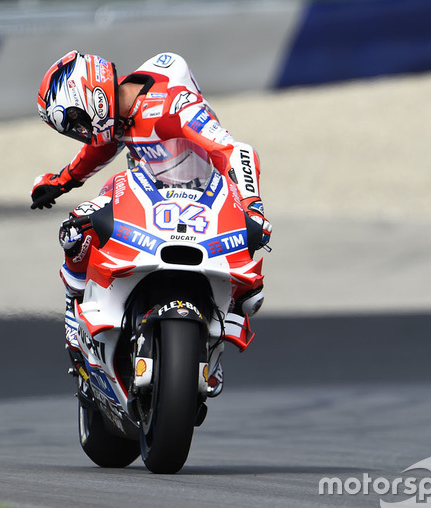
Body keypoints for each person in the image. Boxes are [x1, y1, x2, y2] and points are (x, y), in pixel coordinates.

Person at [31, 51, 271, 396]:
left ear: (93, 96)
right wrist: (61, 181)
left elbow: (237, 151)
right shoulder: (119, 114)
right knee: (75, 229)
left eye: (77, 122)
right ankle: (75, 314)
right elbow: (103, 146)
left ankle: (217, 343)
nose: (82, 133)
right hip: (151, 201)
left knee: (250, 290)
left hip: (209, 200)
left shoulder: (171, 106)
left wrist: (254, 207)